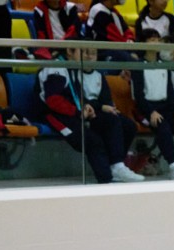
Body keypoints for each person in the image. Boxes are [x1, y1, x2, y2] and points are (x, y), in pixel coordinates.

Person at [37, 43, 144, 182]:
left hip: (80, 112)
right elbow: (55, 100)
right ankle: (109, 174)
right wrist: (84, 110)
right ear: (70, 51)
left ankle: (116, 166)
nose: (88, 56)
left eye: (92, 53)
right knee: (94, 140)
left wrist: (90, 107)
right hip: (56, 115)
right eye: (84, 52)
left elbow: (84, 98)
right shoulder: (58, 68)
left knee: (127, 125)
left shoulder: (82, 70)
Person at [131, 27, 174, 179]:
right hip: (147, 108)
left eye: (157, 39)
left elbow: (170, 93)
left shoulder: (164, 65)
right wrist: (150, 112)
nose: (156, 42)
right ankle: (173, 166)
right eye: (152, 39)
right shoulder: (138, 66)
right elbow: (139, 96)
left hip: (166, 107)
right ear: (143, 43)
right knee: (163, 127)